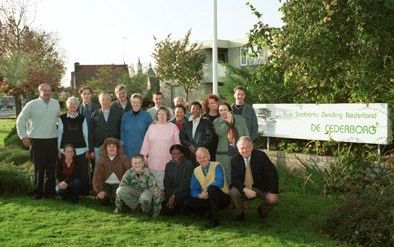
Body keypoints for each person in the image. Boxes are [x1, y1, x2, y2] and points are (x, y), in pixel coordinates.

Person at [16, 83, 60, 199]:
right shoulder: (32, 104)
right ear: (39, 91)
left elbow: (57, 121)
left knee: (51, 168)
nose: (47, 92)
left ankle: (50, 192)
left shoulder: (56, 104)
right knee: (39, 168)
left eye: (49, 90)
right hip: (37, 140)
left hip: (52, 139)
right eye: (44, 90)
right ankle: (37, 192)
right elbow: (20, 120)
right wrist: (23, 136)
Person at [230, 136, 279, 221]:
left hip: (260, 187)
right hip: (244, 186)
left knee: (273, 200)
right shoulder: (235, 159)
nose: (245, 150)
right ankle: (240, 213)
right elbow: (235, 179)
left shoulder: (261, 156)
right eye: (242, 148)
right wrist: (245, 189)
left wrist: (273, 192)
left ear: (252, 146)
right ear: (238, 149)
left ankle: (262, 210)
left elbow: (272, 174)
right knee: (233, 192)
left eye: (248, 147)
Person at [184, 147, 230, 228]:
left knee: (212, 189)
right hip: (207, 197)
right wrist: (200, 195)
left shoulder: (217, 165)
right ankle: (207, 211)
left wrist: (207, 189)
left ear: (209, 156)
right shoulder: (196, 171)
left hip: (222, 198)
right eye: (199, 158)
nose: (202, 159)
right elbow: (194, 190)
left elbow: (220, 182)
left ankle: (215, 219)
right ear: (197, 159)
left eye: (204, 157)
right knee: (187, 202)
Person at [140, 107, 180, 190]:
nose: (161, 116)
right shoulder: (152, 127)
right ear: (157, 115)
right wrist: (144, 156)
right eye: (159, 114)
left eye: (163, 114)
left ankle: (165, 200)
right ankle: (156, 200)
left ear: (167, 116)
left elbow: (177, 144)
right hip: (153, 161)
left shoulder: (173, 127)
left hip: (168, 161)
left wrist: (177, 158)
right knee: (154, 186)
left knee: (166, 185)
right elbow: (146, 142)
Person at [58, 96, 90, 195]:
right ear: (67, 106)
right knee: (67, 171)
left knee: (82, 171)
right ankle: (65, 190)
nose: (72, 106)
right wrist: (59, 150)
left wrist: (88, 149)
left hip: (81, 149)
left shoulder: (82, 118)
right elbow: (59, 134)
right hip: (66, 151)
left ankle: (84, 192)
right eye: (70, 104)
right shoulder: (62, 118)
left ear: (77, 106)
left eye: (74, 104)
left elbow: (86, 134)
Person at [214, 102, 249, 185]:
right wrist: (228, 122)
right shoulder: (217, 121)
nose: (223, 112)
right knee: (225, 176)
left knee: (239, 173)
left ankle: (240, 192)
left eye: (225, 110)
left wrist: (248, 148)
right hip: (223, 154)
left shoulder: (240, 119)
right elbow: (220, 132)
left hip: (239, 152)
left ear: (230, 110)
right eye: (220, 110)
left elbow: (246, 134)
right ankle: (227, 195)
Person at [92, 138, 130, 205]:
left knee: (115, 198)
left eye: (114, 146)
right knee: (102, 199)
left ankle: (114, 198)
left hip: (118, 184)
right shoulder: (101, 159)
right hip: (105, 184)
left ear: (117, 148)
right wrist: (99, 191)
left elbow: (128, 173)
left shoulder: (123, 158)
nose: (112, 148)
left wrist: (125, 187)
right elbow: (96, 177)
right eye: (109, 146)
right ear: (105, 148)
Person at [89, 92, 122, 161]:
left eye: (107, 99)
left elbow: (121, 131)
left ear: (110, 101)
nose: (105, 101)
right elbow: (91, 133)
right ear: (99, 101)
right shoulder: (94, 114)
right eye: (103, 100)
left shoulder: (118, 114)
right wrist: (91, 150)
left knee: (113, 170)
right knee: (100, 170)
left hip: (114, 148)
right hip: (98, 148)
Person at [163, 145, 194, 214]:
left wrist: (174, 195)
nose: (176, 156)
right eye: (173, 154)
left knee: (179, 197)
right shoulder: (168, 165)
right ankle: (173, 206)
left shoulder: (188, 164)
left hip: (184, 191)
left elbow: (186, 183)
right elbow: (166, 182)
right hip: (172, 192)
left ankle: (180, 208)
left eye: (178, 154)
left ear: (182, 154)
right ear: (171, 154)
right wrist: (171, 195)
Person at [121, 93, 152, 159]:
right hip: (128, 149)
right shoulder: (125, 116)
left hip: (142, 148)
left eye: (138, 102)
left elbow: (150, 133)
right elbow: (122, 132)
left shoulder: (146, 116)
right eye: (134, 102)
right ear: (131, 103)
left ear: (141, 103)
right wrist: (122, 147)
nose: (135, 104)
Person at [203, 94, 221, 160]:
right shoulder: (204, 118)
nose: (212, 104)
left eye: (214, 102)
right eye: (210, 103)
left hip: (220, 146)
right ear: (207, 105)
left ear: (217, 103)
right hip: (208, 147)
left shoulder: (221, 116)